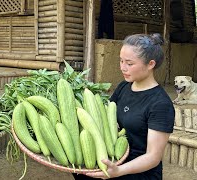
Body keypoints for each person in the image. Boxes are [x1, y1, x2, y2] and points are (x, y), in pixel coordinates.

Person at [73, 33, 175, 180]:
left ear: (150, 64)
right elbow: (107, 117)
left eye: (129, 63)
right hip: (112, 159)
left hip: (137, 173)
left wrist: (119, 170)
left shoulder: (160, 104)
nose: (122, 67)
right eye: (121, 61)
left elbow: (153, 157)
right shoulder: (124, 87)